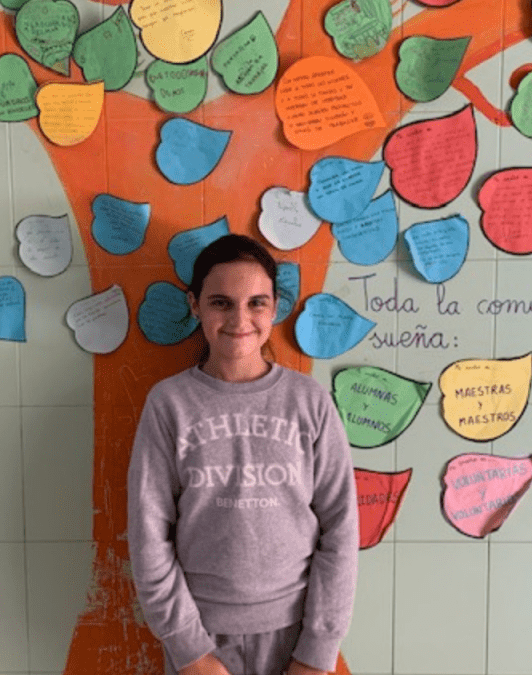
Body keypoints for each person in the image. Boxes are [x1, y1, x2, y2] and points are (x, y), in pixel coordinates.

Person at [127, 234, 359, 675]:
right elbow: (148, 534)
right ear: (195, 305)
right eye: (221, 303)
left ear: (275, 308)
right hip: (200, 636)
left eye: (256, 303)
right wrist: (190, 651)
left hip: (297, 634)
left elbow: (340, 528)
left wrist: (318, 649)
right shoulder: (169, 404)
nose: (240, 319)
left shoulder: (308, 401)